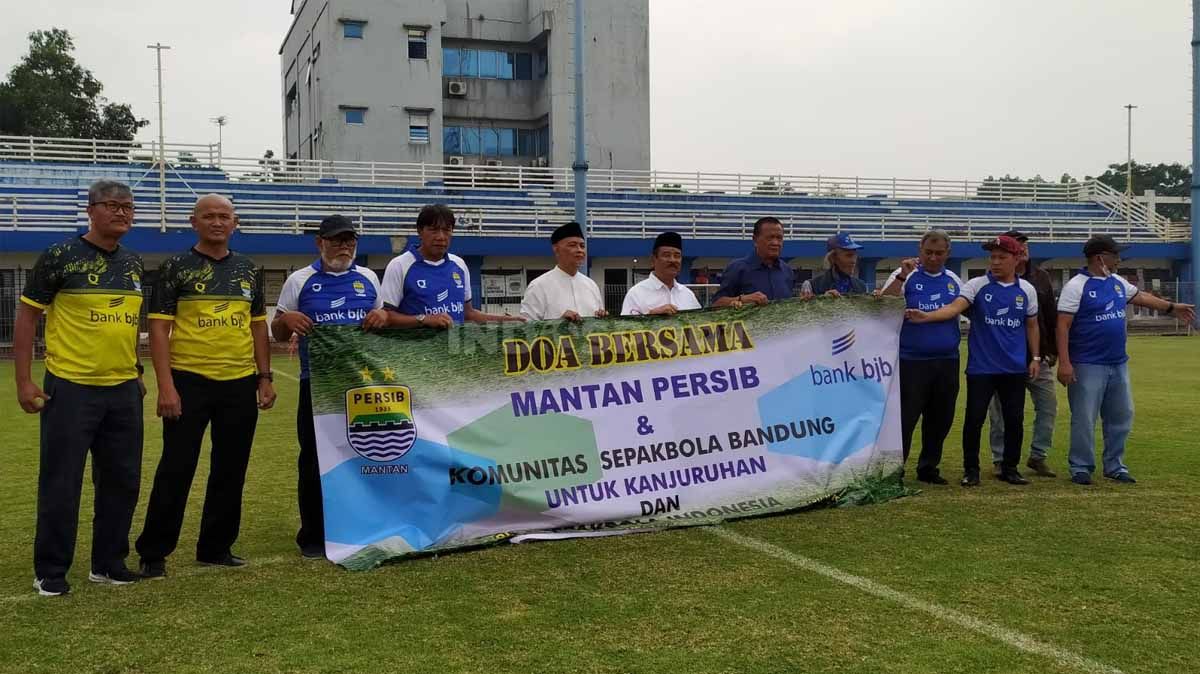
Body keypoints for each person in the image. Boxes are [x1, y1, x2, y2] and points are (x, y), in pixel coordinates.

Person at [15, 180, 145, 596]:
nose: (121, 213)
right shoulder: (59, 257)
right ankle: (51, 570)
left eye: (128, 206)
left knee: (122, 480)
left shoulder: (134, 263)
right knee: (62, 481)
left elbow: (126, 323)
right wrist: (23, 379)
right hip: (70, 388)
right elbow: (26, 317)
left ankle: (108, 563)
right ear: (90, 210)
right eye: (111, 205)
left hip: (124, 389)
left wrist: (138, 370)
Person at [136, 194, 277, 578]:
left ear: (235, 223)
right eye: (209, 216)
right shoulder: (175, 268)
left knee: (231, 468)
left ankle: (216, 546)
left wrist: (264, 377)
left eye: (224, 216)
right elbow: (159, 329)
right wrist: (166, 386)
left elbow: (257, 326)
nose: (217, 222)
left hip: (238, 382)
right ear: (193, 222)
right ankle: (154, 551)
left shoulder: (248, 271)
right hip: (188, 380)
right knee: (176, 467)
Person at [271, 215, 388, 559]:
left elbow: (380, 321)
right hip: (317, 385)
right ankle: (313, 536)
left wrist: (381, 317)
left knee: (365, 455)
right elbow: (276, 332)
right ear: (319, 242)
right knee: (313, 460)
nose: (344, 246)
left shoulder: (368, 277)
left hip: (360, 386)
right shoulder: (299, 280)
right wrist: (285, 321)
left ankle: (363, 525)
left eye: (350, 240)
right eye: (337, 240)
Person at [1056, 235, 1195, 485]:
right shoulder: (1077, 286)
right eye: (1115, 255)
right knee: (1085, 418)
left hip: (1118, 362)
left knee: (1121, 415)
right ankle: (1080, 466)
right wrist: (1065, 363)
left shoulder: (1117, 281)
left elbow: (1140, 297)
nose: (1119, 259)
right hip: (1087, 363)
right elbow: (1063, 326)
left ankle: (1115, 465)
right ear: (1100, 258)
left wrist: (1171, 307)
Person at [906, 235, 1040, 487]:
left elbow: (1031, 325)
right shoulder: (976, 285)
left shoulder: (1027, 290)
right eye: (993, 257)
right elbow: (954, 308)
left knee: (1014, 420)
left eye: (1002, 258)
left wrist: (1034, 357)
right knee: (974, 420)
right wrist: (928, 317)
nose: (996, 262)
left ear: (1016, 259)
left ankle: (1010, 468)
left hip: (1013, 367)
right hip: (981, 367)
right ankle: (971, 470)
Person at [879, 229, 963, 485]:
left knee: (940, 418)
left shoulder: (954, 280)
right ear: (920, 250)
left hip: (947, 360)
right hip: (911, 361)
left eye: (939, 253)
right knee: (905, 419)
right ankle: (895, 470)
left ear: (948, 254)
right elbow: (883, 305)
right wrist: (902, 275)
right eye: (929, 252)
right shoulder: (905, 275)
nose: (934, 258)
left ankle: (928, 467)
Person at [382, 204, 527, 327]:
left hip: (454, 357)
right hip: (414, 357)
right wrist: (424, 319)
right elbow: (386, 317)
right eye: (434, 230)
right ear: (420, 231)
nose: (441, 236)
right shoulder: (400, 266)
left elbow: (468, 313)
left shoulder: (459, 265)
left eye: (446, 230)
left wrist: (505, 321)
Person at [988, 230, 1059, 478]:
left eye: (1026, 245)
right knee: (1000, 413)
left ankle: (1038, 455)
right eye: (1020, 246)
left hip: (1036, 358)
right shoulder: (990, 281)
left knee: (1048, 406)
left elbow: (1050, 315)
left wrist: (1051, 352)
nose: (1026, 250)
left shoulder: (1041, 277)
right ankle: (1000, 458)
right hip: (1003, 359)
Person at [520, 221, 608, 321]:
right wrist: (558, 325)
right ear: (556, 249)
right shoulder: (539, 286)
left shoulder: (591, 285)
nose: (579, 250)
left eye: (582, 246)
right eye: (572, 245)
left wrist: (602, 320)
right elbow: (526, 329)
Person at [711, 216, 795, 308]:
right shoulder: (737, 268)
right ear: (755, 240)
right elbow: (716, 304)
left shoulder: (787, 271)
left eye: (779, 238)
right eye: (770, 238)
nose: (775, 242)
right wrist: (742, 299)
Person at [621, 231, 701, 315]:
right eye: (666, 255)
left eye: (677, 256)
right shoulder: (636, 294)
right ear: (653, 260)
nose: (673, 260)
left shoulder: (688, 295)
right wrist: (651, 318)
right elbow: (625, 327)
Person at [802, 233, 868, 297]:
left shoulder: (861, 286)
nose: (853, 261)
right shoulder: (812, 285)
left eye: (855, 255)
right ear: (833, 258)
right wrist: (823, 300)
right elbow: (803, 307)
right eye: (849, 255)